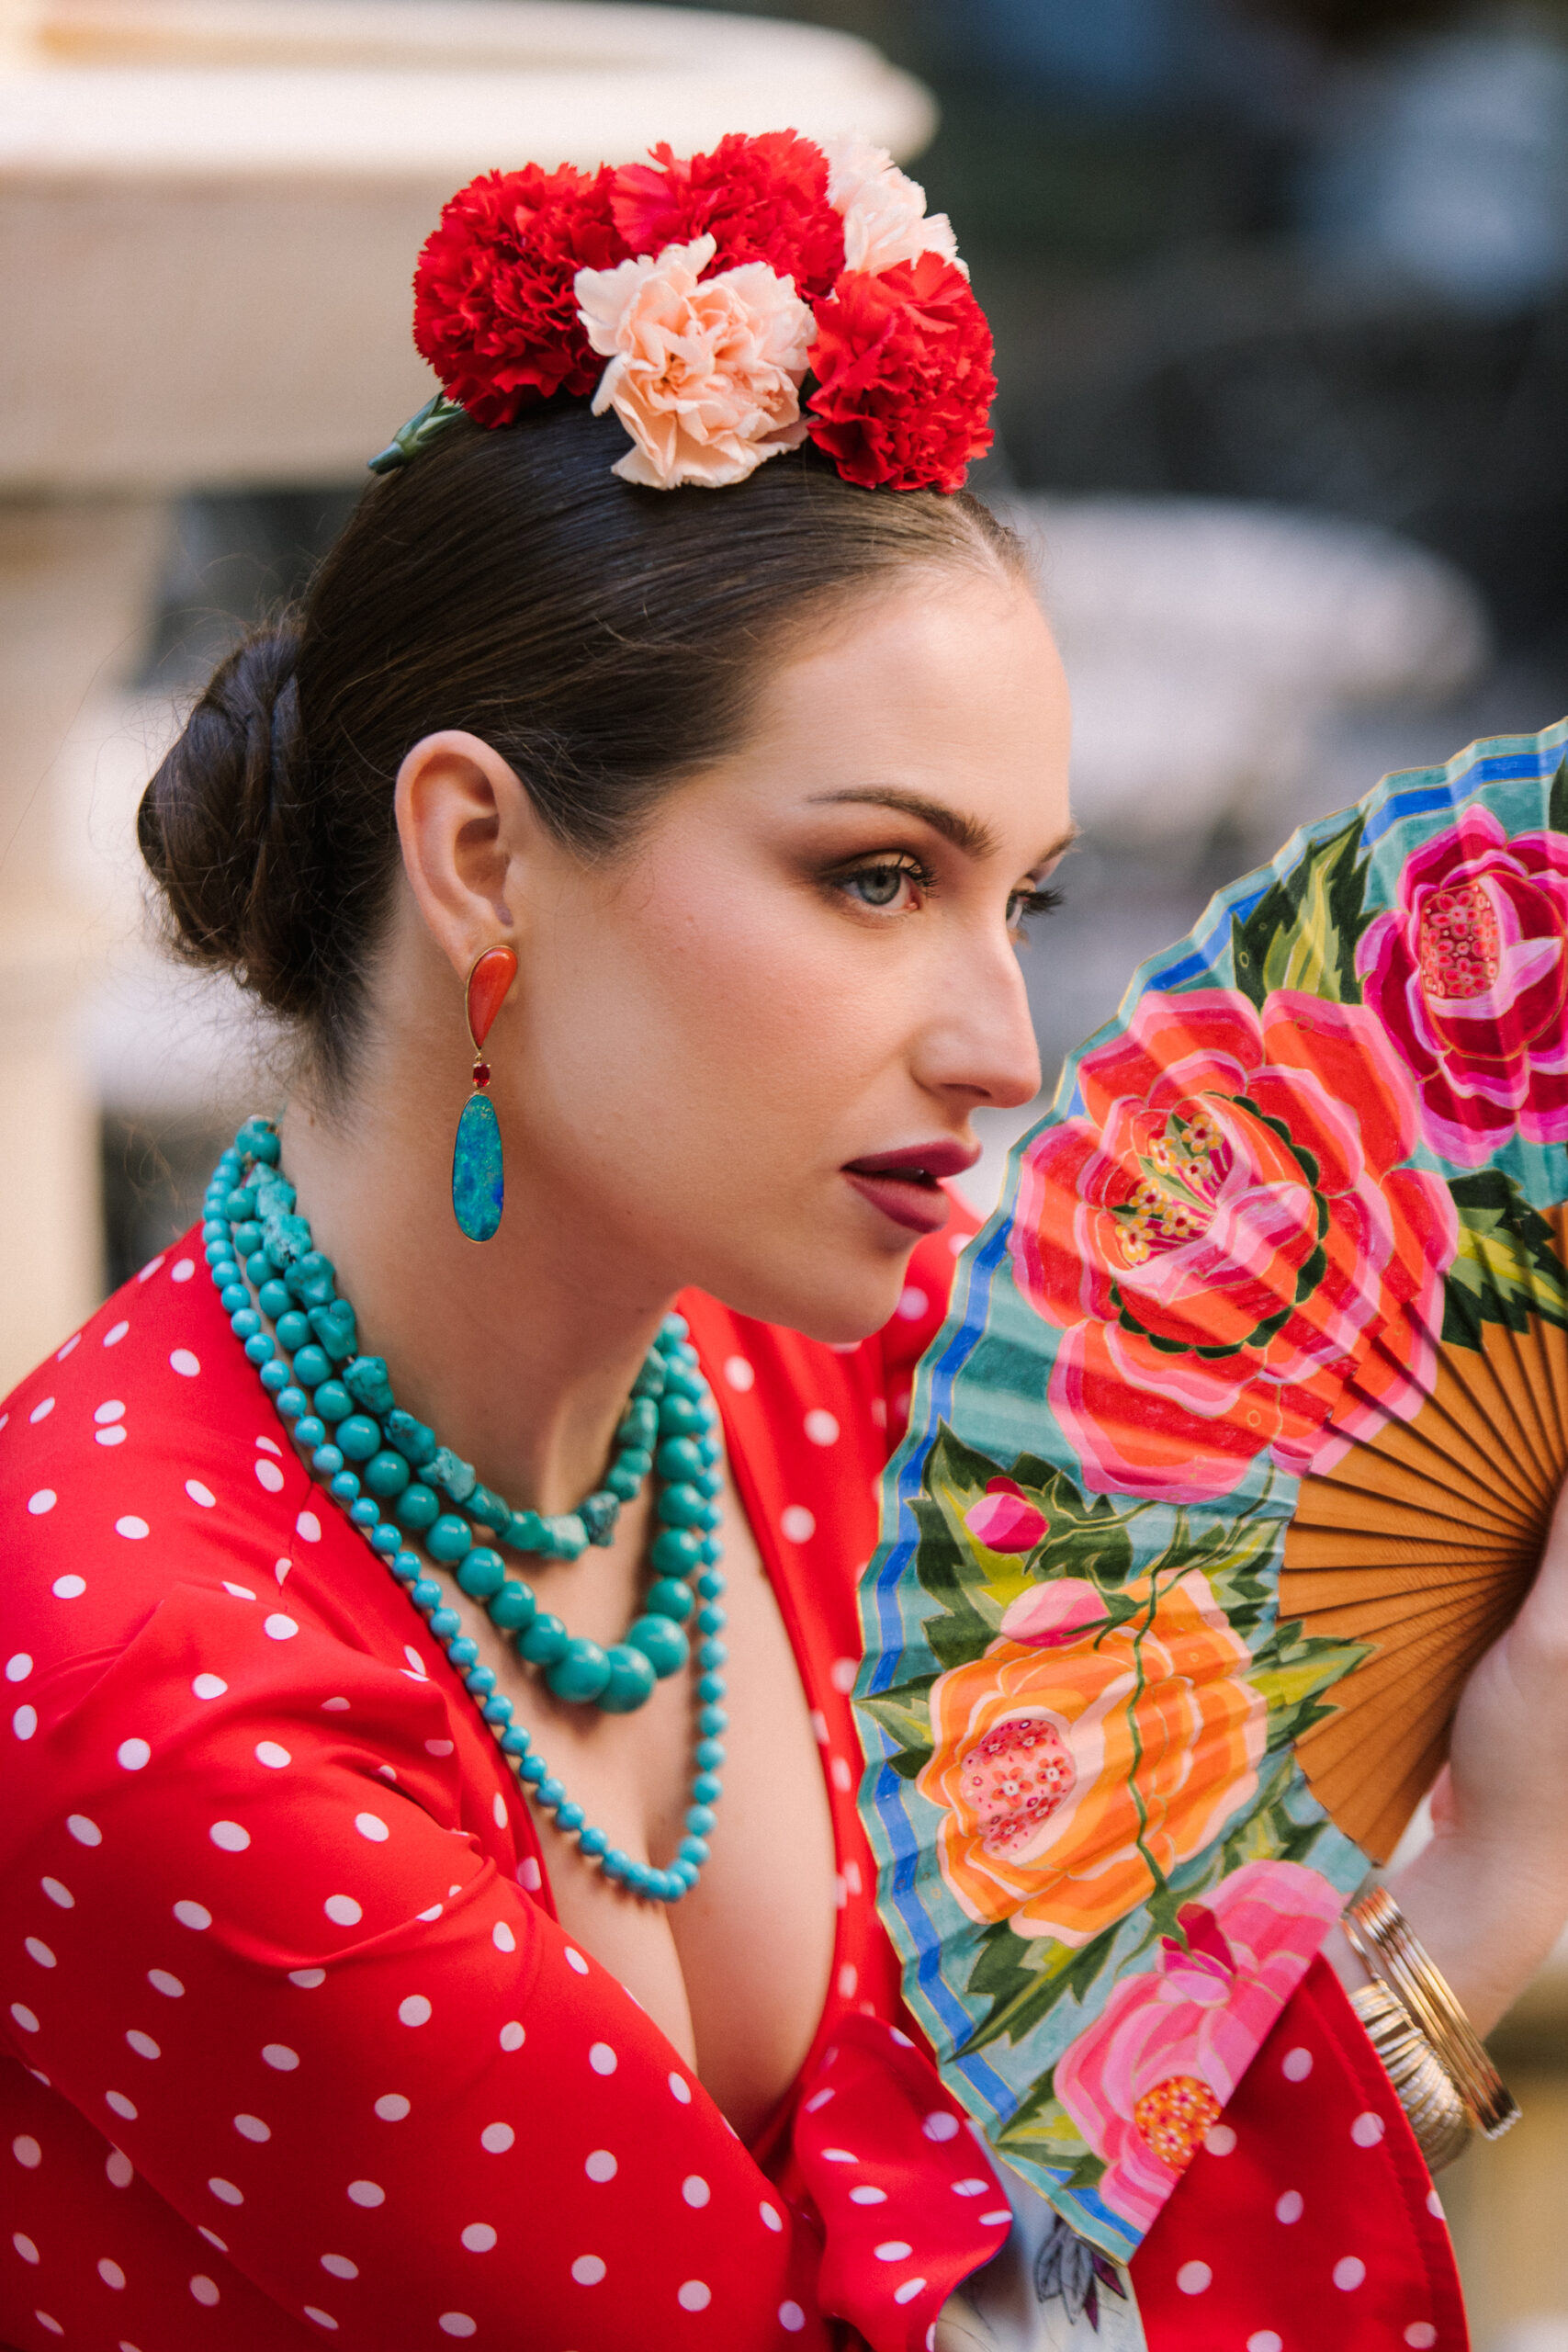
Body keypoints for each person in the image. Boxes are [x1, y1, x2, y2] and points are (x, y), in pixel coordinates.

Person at [2, 134, 1564, 2352]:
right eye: (871, 878)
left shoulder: (844, 1365)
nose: (1006, 1045)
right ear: (477, 853)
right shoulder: (148, 1689)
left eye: (1011, 897)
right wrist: (1480, 1901)